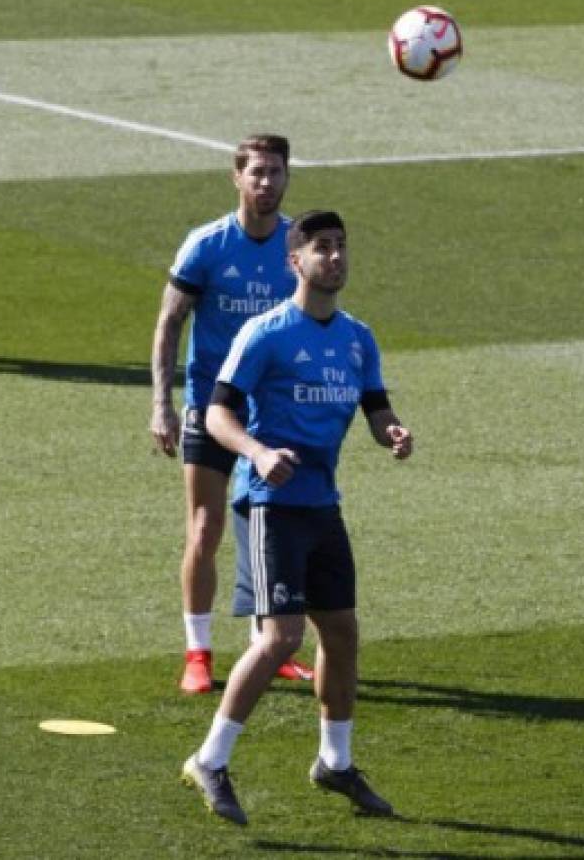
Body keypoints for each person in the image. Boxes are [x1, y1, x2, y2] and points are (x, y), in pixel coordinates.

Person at [181, 210, 413, 825]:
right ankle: (210, 758)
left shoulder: (357, 338)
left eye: (341, 247)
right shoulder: (266, 333)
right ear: (296, 261)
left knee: (341, 634)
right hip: (270, 505)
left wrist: (392, 431)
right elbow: (216, 415)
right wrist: (257, 452)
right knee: (280, 636)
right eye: (322, 248)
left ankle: (334, 763)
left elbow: (376, 407)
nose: (334, 258)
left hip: (321, 506)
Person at [150, 134, 313, 694]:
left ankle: (268, 645)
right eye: (257, 173)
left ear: (288, 177)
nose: (266, 182)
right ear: (237, 179)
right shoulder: (208, 245)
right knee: (205, 526)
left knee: (272, 531)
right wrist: (161, 404)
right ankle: (197, 653)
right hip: (212, 408)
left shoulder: (297, 247)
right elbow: (170, 321)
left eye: (276, 172)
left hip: (273, 415)